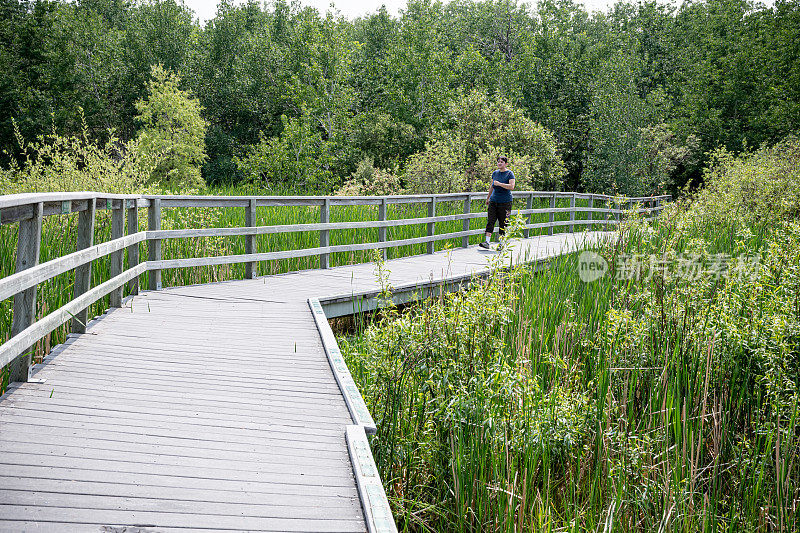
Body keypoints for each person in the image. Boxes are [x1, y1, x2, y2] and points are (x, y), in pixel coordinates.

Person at [479, 156, 515, 250]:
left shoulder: (509, 174)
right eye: (498, 162)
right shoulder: (495, 173)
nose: (499, 163)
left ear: (506, 164)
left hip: (505, 202)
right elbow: (492, 186)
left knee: (503, 223)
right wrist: (488, 198)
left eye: (501, 162)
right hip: (494, 200)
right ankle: (487, 242)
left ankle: (501, 243)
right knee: (490, 221)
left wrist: (500, 184)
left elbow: (511, 186)